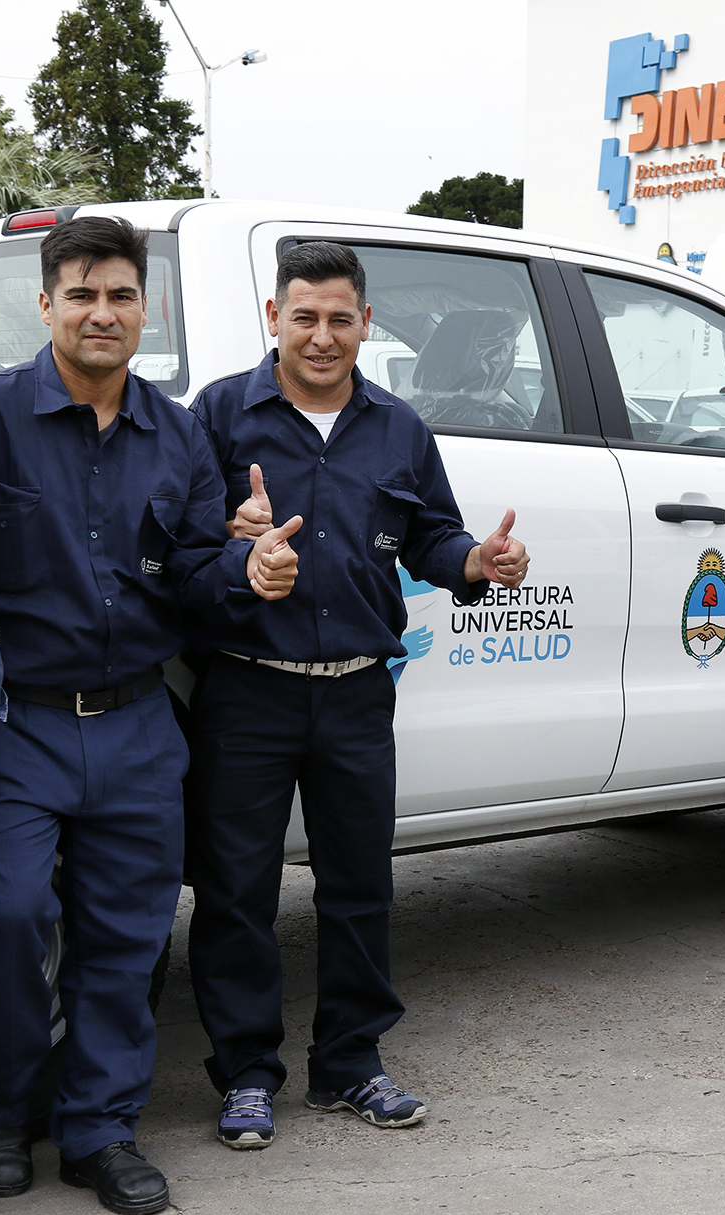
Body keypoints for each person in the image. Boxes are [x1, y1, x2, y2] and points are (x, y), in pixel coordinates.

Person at [0, 217, 278, 1215]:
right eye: (82, 294)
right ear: (45, 303)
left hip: (139, 725)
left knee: (126, 936)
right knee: (6, 918)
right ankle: (1, 1113)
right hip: (19, 721)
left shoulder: (178, 432)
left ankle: (100, 1129)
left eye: (122, 296)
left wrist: (245, 566)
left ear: (148, 307)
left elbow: (189, 570)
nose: (103, 313)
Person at [186, 241, 529, 1145]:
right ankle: (247, 1074)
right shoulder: (219, 415)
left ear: (367, 325)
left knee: (358, 889)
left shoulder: (399, 428)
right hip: (245, 692)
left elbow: (431, 537)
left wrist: (476, 564)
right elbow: (177, 549)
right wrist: (231, 539)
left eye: (341, 319)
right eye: (305, 316)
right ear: (274, 318)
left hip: (355, 695)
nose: (323, 335)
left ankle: (350, 1063)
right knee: (235, 894)